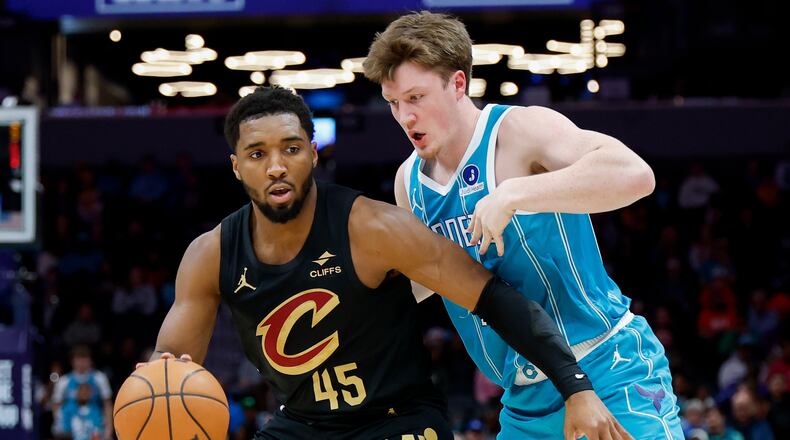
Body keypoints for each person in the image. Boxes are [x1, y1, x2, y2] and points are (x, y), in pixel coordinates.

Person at [145, 86, 627, 439]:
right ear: (236, 166)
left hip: (397, 421)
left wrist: (576, 387)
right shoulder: (210, 254)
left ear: (313, 155)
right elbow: (170, 375)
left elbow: (494, 299)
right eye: (257, 154)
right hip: (302, 424)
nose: (276, 166)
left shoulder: (373, 228)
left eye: (291, 149)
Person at [363, 11, 683, 439]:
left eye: (416, 98)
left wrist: (516, 195)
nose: (405, 117)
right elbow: (426, 281)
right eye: (393, 103)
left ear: (458, 84)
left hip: (608, 367)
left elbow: (635, 174)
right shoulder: (410, 182)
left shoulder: (518, 129)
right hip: (522, 402)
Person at [52, 346, 112, 440]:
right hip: (70, 429)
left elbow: (107, 405)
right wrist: (61, 425)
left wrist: (109, 430)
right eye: (79, 359)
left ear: (90, 361)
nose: (82, 363)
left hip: (95, 427)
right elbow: (56, 406)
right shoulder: (63, 382)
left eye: (85, 359)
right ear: (72, 361)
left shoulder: (100, 378)